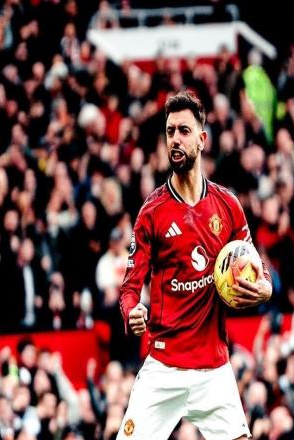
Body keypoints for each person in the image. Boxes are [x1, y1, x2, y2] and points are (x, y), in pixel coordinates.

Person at [117, 91, 273, 440]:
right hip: (164, 366)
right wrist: (132, 312)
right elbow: (129, 287)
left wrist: (264, 288)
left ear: (202, 139)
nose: (175, 139)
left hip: (213, 368)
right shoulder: (152, 213)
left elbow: (258, 267)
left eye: (184, 131)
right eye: (170, 131)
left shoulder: (227, 205)